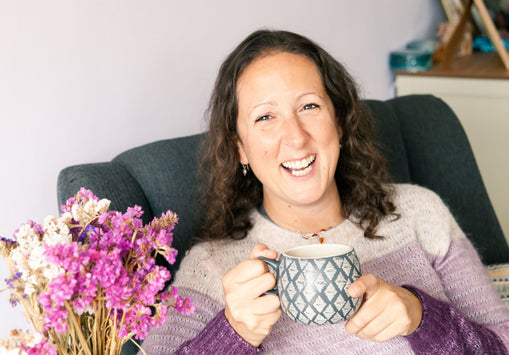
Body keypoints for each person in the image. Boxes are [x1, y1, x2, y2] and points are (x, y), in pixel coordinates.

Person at [140, 29, 509, 354]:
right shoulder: (213, 268)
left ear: (340, 122)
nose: (297, 137)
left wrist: (421, 317)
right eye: (266, 117)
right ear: (240, 148)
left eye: (310, 106)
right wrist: (233, 334)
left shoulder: (418, 213)